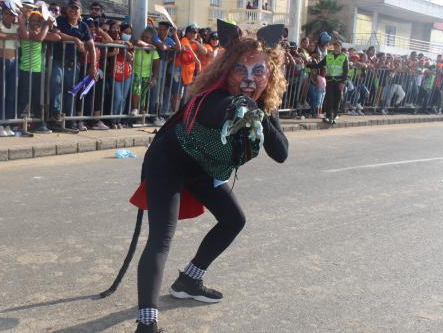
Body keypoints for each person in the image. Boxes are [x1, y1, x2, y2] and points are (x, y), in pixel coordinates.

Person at [129, 28, 289, 333]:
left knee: (234, 220)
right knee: (161, 239)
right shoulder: (214, 96)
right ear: (227, 71)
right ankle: (146, 324)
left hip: (203, 167)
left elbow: (280, 153)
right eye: (240, 69)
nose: (249, 78)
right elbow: (218, 112)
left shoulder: (263, 101)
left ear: (270, 74)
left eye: (259, 71)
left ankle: (190, 279)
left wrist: (260, 110)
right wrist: (238, 106)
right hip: (169, 163)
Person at [51, 0, 97, 132]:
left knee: (71, 92)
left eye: (76, 8)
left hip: (74, 64)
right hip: (58, 61)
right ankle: (56, 115)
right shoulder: (60, 20)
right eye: (71, 7)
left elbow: (91, 46)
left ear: (80, 11)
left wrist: (93, 66)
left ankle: (68, 121)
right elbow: (56, 33)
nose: (73, 10)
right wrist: (75, 39)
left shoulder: (84, 26)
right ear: (67, 9)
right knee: (56, 84)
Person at [17, 10, 59, 134]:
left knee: (37, 98)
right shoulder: (26, 31)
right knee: (23, 98)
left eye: (38, 21)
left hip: (37, 70)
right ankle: (15, 123)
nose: (36, 23)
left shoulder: (41, 32)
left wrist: (47, 27)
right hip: (25, 69)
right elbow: (37, 38)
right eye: (33, 20)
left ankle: (39, 124)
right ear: (28, 21)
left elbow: (57, 37)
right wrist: (46, 26)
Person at [0, 0, 20, 137]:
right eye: (7, 13)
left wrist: (19, 18)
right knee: (0, 93)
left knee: (10, 95)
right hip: (0, 61)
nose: (10, 16)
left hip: (13, 62)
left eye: (12, 14)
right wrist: (11, 36)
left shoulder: (16, 26)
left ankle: (7, 123)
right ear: (3, 14)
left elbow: (23, 33)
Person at [307, 40, 348, 124]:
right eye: (335, 46)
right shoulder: (328, 56)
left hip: (339, 81)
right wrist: (308, 65)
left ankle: (333, 117)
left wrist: (343, 82)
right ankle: (329, 116)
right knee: (329, 99)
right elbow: (319, 65)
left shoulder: (344, 57)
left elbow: (346, 71)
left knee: (337, 100)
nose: (336, 48)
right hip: (330, 80)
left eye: (338, 46)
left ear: (340, 47)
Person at [131, 26, 160, 116]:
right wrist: (147, 45)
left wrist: (154, 78)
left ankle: (141, 114)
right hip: (136, 73)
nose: (145, 39)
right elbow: (136, 41)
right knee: (137, 90)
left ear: (152, 39)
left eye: (147, 38)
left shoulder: (154, 52)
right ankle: (134, 109)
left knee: (143, 95)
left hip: (146, 75)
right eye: (143, 36)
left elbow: (156, 66)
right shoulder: (139, 45)